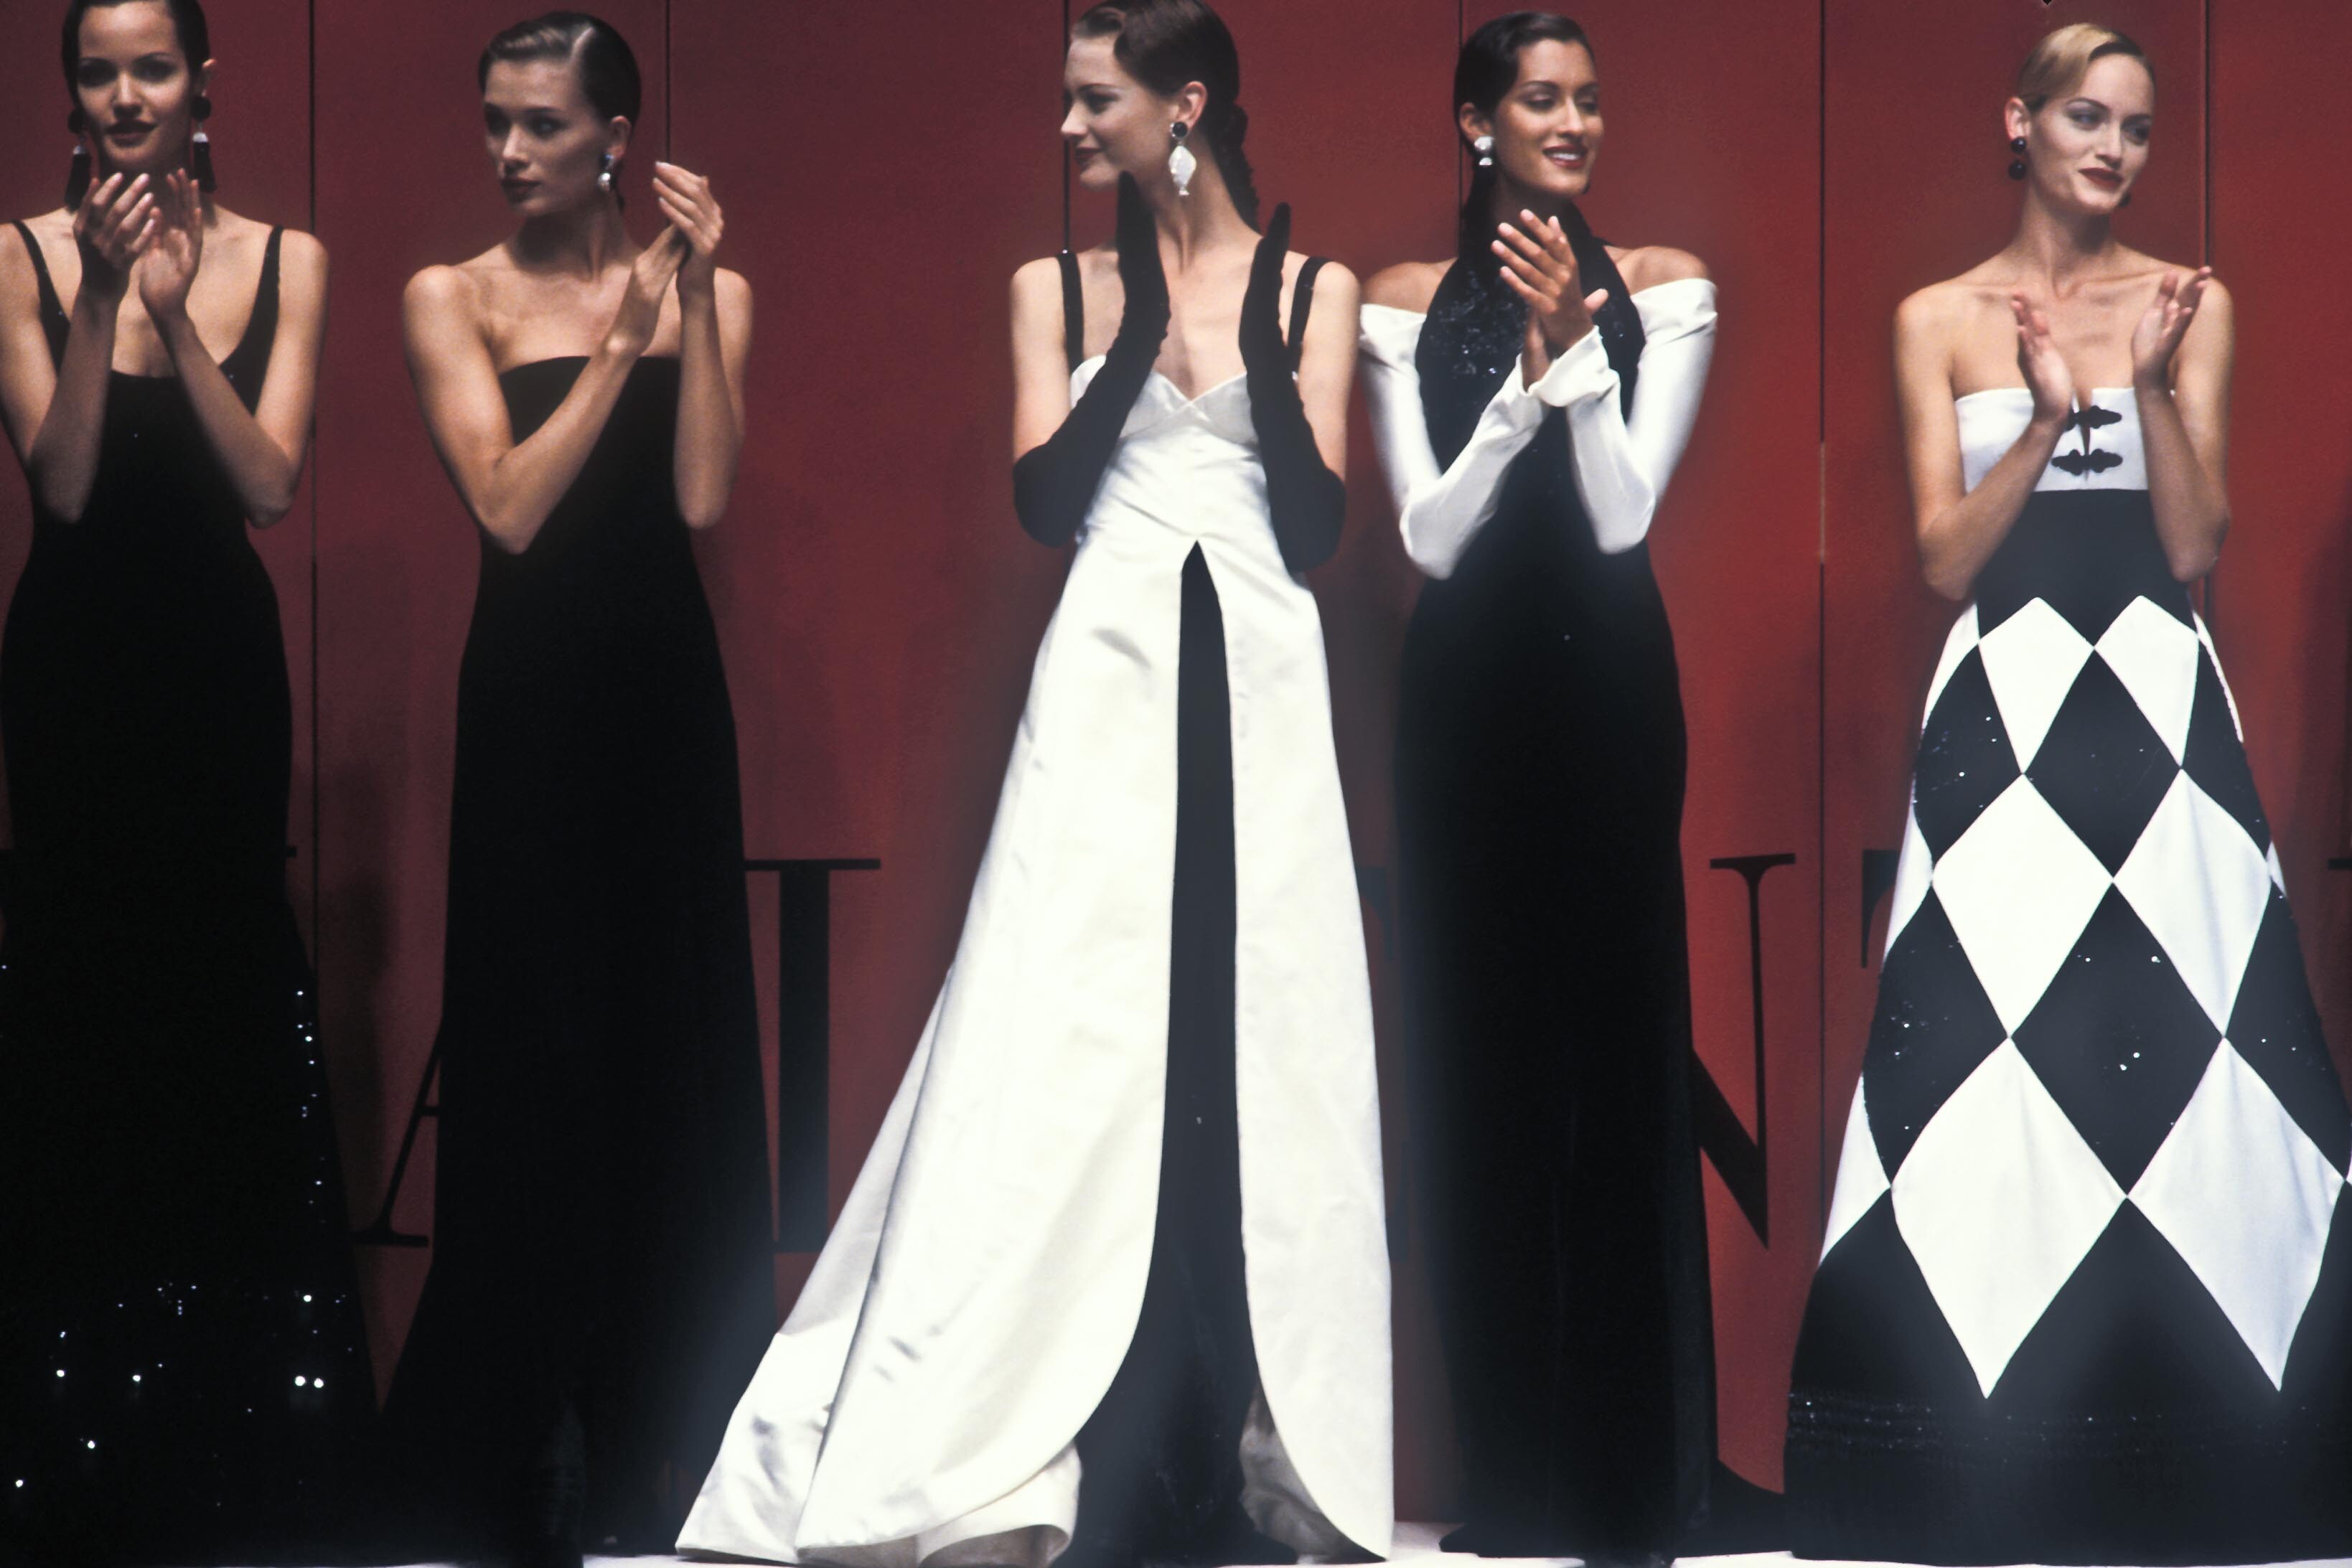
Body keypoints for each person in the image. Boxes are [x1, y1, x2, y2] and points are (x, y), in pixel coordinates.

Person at [678, 4, 1390, 1565]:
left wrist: (1258, 345)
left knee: (1253, 1044)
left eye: (1093, 100)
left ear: (1180, 105)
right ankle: (1017, 1447)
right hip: (1108, 679)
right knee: (1064, 1039)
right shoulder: (1051, 286)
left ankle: (1256, 1445)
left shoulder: (1313, 287)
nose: (1067, 129)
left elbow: (1319, 525)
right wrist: (1138, 329)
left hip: (1260, 686)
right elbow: (1048, 501)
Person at [1785, 25, 2352, 1564]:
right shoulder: (1935, 317)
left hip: (2159, 704)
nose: (2112, 148)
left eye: (2137, 128)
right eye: (2087, 117)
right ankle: (1971, 1457)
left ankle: (2217, 1450)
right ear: (2020, 123)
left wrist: (2149, 386)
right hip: (2004, 701)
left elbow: (2193, 543)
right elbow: (1940, 559)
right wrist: (2043, 417)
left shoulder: (2188, 302)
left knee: (2195, 1047)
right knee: (1982, 1057)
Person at [370, 14, 772, 1567]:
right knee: (536, 1056)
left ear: (616, 136)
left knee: (668, 1046)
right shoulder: (452, 295)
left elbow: (703, 496)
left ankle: (667, 1435)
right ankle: (524, 1444)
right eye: (495, 120)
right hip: (531, 713)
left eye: (540, 123)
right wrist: (616, 344)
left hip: (663, 706)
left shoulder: (710, 291)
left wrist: (695, 309)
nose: (508, 150)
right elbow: (510, 508)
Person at [0, 1, 367, 1562]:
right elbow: (66, 483)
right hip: (76, 671)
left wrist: (180, 316)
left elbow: (270, 484)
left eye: (152, 68)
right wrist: (99, 297)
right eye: (98, 71)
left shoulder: (289, 259)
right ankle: (74, 1441)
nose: (125, 95)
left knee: (219, 998)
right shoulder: (15, 257)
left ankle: (238, 1434)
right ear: (70, 93)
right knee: (80, 1001)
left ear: (202, 86)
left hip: (216, 666)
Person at [1356, 13, 1718, 1564]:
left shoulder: (1667, 282)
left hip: (1610, 689)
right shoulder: (1391, 297)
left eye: (1589, 100)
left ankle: (1632, 1486)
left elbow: (1625, 517)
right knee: (1476, 1062)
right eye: (1541, 99)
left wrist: (1574, 357)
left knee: (1619, 1062)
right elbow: (1428, 538)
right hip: (1465, 702)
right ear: (1475, 122)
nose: (1573, 123)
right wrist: (1520, 386)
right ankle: (1508, 1479)